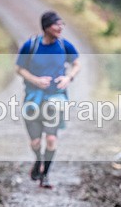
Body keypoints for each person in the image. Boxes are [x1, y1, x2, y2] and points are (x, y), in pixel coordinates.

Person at [15, 11, 80, 189]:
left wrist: (68, 78)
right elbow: (19, 68)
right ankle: (39, 160)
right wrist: (35, 80)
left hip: (55, 99)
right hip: (33, 99)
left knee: (51, 139)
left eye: (61, 24)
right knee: (35, 142)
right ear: (46, 27)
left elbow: (76, 64)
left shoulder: (64, 45)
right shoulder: (32, 45)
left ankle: (45, 174)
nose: (60, 28)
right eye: (56, 24)